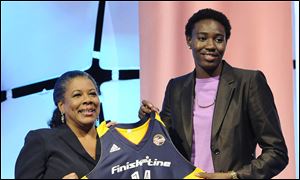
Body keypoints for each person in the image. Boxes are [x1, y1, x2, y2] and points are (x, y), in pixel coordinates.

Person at [139, 8, 288, 179]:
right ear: (189, 40)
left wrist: (234, 176)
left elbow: (277, 152)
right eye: (202, 38)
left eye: (219, 39)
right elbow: (162, 145)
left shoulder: (249, 82)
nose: (210, 46)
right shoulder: (176, 87)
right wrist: (148, 121)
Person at [15, 70, 110, 179]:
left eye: (92, 94)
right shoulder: (42, 140)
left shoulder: (110, 138)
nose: (87, 100)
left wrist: (120, 137)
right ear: (61, 106)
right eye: (77, 95)